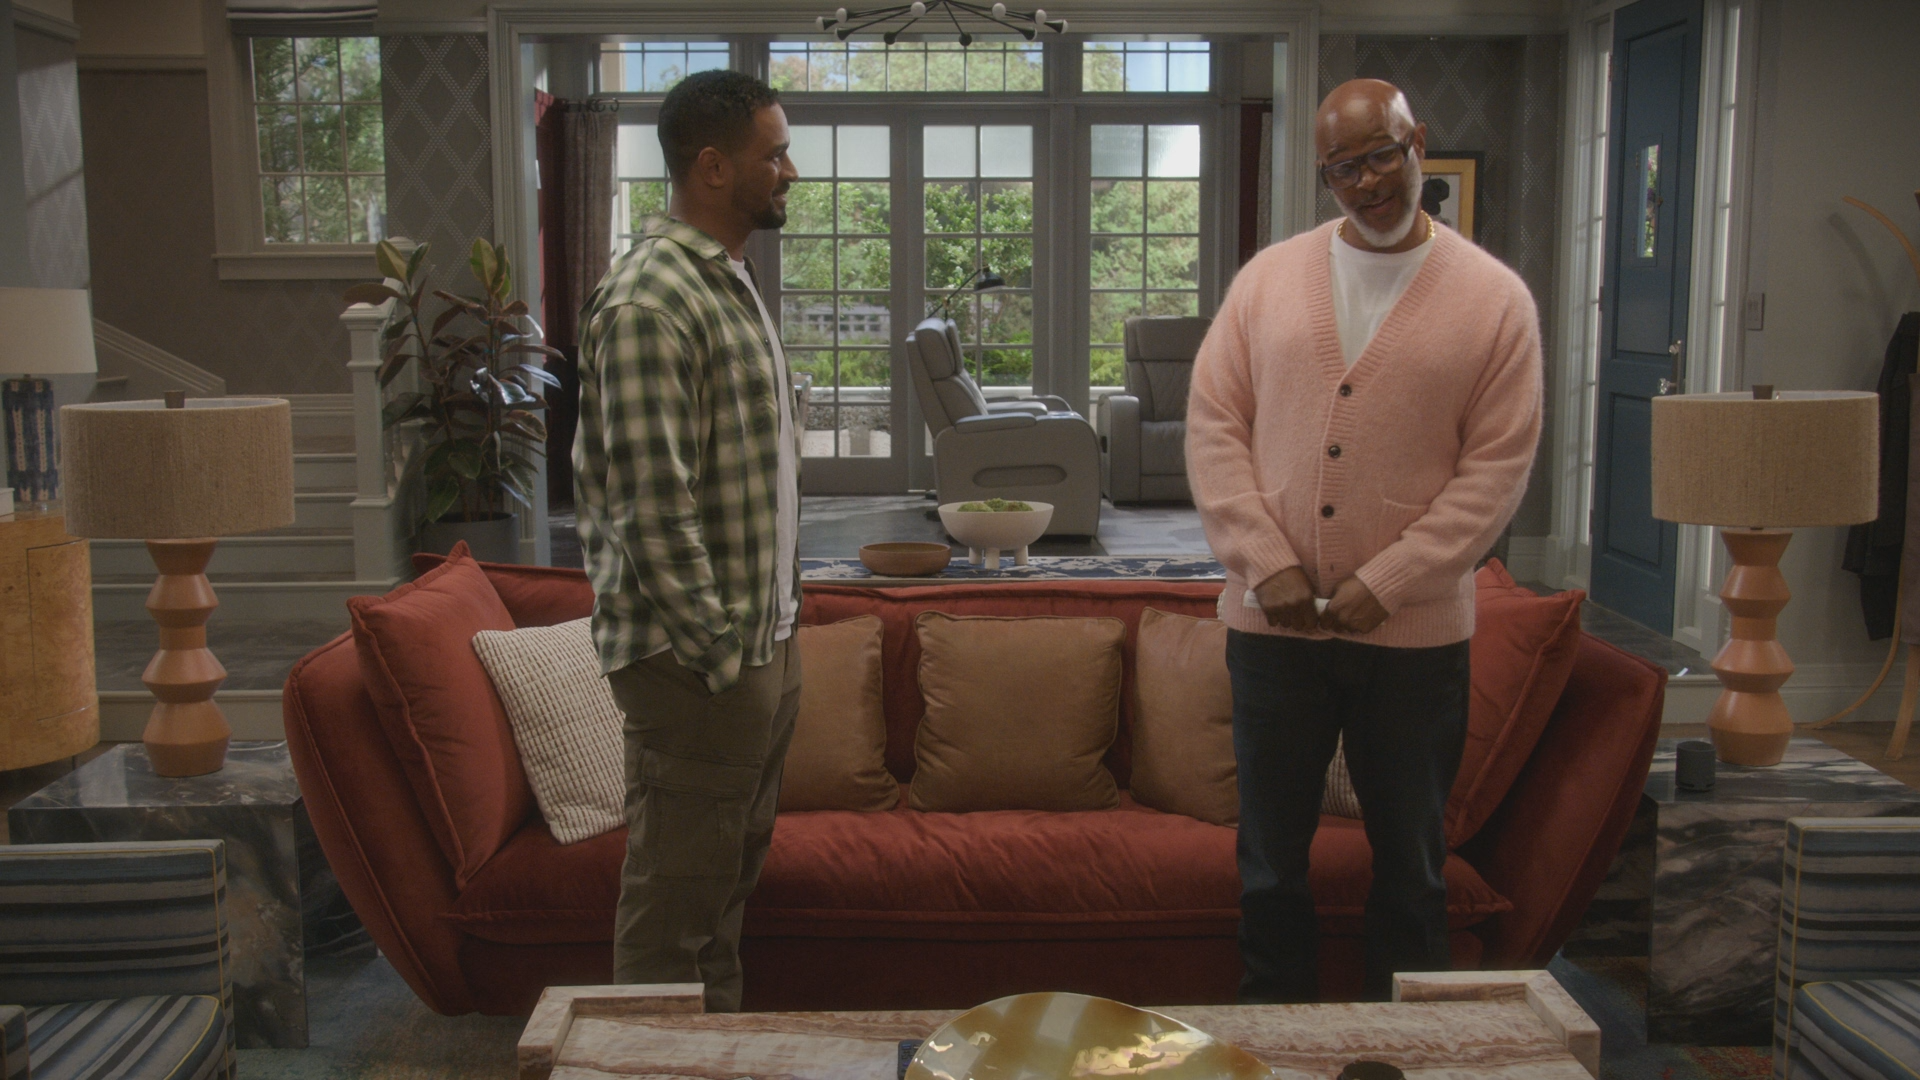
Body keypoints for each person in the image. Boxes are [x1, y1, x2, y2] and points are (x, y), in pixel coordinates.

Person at [1186, 78, 1543, 1003]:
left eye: (1381, 154)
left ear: (1419, 142)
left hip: (1415, 643)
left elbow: (1496, 470)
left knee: (1413, 871)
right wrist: (1265, 563)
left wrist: (1391, 579)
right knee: (1269, 867)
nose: (1366, 182)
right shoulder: (1267, 281)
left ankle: (1403, 1048)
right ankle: (1278, 1043)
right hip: (1273, 633)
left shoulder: (1495, 301)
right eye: (1341, 168)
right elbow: (1215, 428)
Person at [573, 68, 801, 1013]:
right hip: (700, 664)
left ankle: (714, 1060)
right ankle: (647, 1064)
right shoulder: (650, 301)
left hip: (758, 645)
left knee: (722, 895)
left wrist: (775, 634)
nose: (790, 171)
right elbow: (650, 507)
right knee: (675, 916)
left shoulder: (724, 279)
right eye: (773, 155)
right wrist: (718, 653)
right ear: (712, 167)